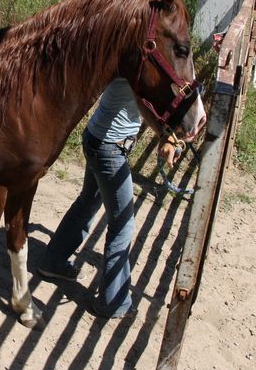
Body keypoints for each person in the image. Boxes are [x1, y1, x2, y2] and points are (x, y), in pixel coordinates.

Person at [38, 77, 176, 319]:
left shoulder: (127, 60)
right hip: (109, 149)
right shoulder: (134, 68)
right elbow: (146, 104)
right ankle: (113, 302)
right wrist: (166, 136)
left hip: (98, 139)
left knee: (87, 203)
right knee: (122, 223)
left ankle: (53, 261)